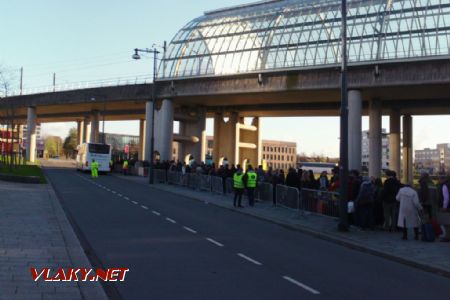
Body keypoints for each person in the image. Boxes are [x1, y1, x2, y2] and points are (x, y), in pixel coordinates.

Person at [438, 175, 450, 242]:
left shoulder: (445, 186)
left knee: (446, 222)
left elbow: (446, 198)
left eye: (439, 179)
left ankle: (448, 237)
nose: (438, 181)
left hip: (447, 207)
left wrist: (444, 207)